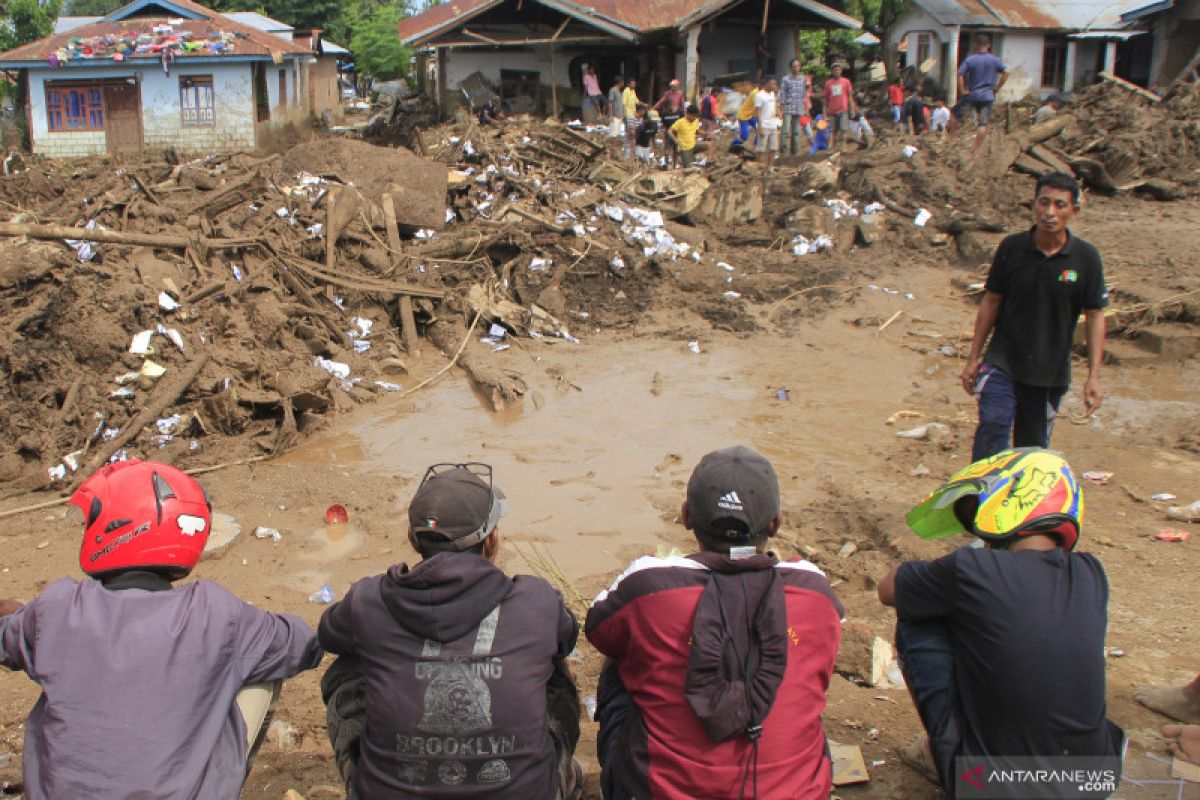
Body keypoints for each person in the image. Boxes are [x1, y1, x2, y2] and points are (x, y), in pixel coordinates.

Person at [0, 459, 323, 799]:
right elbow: (303, 645)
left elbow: (7, 639)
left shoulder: (56, 608)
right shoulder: (214, 612)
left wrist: (25, 615)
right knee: (258, 665)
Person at [588, 446, 844, 800]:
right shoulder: (813, 589)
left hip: (660, 791)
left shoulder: (648, 584)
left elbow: (597, 627)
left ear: (687, 516)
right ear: (776, 523)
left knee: (621, 654)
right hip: (794, 792)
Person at [318, 463, 582, 799]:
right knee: (554, 665)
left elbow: (328, 634)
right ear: (492, 541)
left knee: (348, 665)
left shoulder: (369, 601)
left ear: (412, 539)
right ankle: (562, 776)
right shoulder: (538, 602)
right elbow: (568, 636)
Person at [879, 448, 1124, 797]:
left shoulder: (971, 569)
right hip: (1094, 781)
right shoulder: (1091, 573)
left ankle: (943, 750)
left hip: (996, 788)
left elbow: (888, 589)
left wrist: (959, 566)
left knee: (918, 616)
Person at [961, 171, 1107, 462]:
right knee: (993, 428)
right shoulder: (1012, 248)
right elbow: (992, 300)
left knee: (1031, 451)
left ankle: (1019, 505)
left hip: (1049, 372)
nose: (1050, 212)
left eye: (1059, 205)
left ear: (1073, 211)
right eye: (1044, 202)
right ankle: (980, 501)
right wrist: (974, 356)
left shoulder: (1086, 259)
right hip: (1002, 362)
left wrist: (1094, 376)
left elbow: (1095, 316)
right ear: (1033, 205)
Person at [953, 33, 1008, 157]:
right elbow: (1006, 72)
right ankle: (976, 151)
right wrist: (998, 88)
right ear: (988, 45)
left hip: (972, 94)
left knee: (954, 114)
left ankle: (953, 139)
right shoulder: (994, 59)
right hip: (988, 96)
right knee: (983, 124)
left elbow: (960, 74)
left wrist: (962, 90)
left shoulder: (970, 59)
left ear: (975, 45)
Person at [780, 59, 811, 155]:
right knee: (785, 130)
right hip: (788, 107)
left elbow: (805, 93)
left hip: (799, 107)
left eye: (797, 66)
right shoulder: (785, 79)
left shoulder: (803, 79)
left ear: (800, 67)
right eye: (794, 66)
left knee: (796, 131)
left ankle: (795, 152)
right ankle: (783, 151)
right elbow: (782, 93)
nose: (796, 68)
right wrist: (781, 108)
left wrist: (806, 108)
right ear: (790, 67)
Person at [823, 63, 856, 150]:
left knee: (843, 129)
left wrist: (852, 109)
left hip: (843, 109)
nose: (836, 71)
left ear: (841, 71)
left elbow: (849, 96)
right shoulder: (828, 84)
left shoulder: (846, 82)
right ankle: (832, 147)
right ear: (832, 71)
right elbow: (825, 99)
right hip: (832, 110)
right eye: (835, 70)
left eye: (838, 69)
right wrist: (825, 112)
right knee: (833, 130)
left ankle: (843, 146)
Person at [754, 76, 782, 168]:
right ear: (766, 84)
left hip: (773, 125)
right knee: (761, 149)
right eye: (772, 84)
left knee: (773, 148)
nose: (774, 86)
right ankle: (757, 166)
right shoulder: (760, 95)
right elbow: (757, 113)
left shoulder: (772, 94)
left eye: (775, 84)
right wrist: (760, 128)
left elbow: (774, 107)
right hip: (764, 125)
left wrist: (778, 114)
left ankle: (769, 167)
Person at [667, 104, 704, 168]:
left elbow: (697, 131)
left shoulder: (696, 121)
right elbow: (669, 131)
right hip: (685, 148)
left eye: (696, 116)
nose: (695, 118)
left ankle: (705, 163)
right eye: (694, 116)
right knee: (688, 167)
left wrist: (706, 133)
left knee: (709, 145)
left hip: (693, 145)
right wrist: (675, 139)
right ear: (688, 114)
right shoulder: (680, 122)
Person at [731, 79, 760, 152]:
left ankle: (755, 148)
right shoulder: (756, 93)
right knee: (744, 136)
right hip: (744, 116)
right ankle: (733, 145)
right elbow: (758, 108)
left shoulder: (759, 92)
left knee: (760, 131)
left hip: (751, 115)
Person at [621, 77, 642, 161]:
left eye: (634, 83)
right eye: (632, 83)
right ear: (628, 84)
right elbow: (623, 104)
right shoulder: (626, 91)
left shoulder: (633, 91)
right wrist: (624, 115)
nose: (634, 85)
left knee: (630, 136)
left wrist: (644, 104)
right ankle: (627, 155)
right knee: (631, 135)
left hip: (633, 115)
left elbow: (637, 101)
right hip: (628, 115)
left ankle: (630, 155)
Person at [607, 76, 625, 159]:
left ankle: (614, 152)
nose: (623, 83)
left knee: (617, 134)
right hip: (614, 116)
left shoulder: (619, 91)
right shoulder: (612, 90)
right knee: (613, 134)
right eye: (622, 81)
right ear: (619, 82)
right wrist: (610, 115)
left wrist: (622, 114)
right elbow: (610, 103)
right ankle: (612, 151)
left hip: (619, 116)